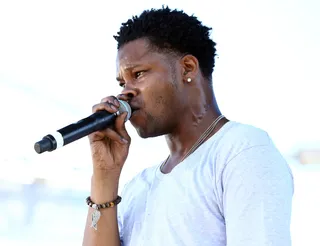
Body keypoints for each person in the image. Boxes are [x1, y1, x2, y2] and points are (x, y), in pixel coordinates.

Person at [82, 6, 294, 246]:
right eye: (122, 82)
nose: (125, 92)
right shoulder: (137, 188)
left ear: (188, 69)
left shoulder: (241, 151)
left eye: (138, 74)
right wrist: (104, 176)